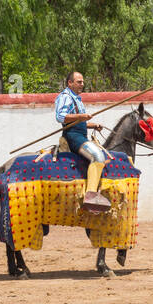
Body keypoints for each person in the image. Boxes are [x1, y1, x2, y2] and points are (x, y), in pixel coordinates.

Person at [54, 70, 111, 213]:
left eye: (83, 82)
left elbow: (79, 121)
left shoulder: (77, 99)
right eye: (79, 82)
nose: (82, 84)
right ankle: (91, 195)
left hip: (80, 135)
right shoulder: (65, 97)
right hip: (73, 136)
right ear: (70, 83)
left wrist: (93, 125)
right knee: (97, 156)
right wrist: (82, 116)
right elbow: (60, 117)